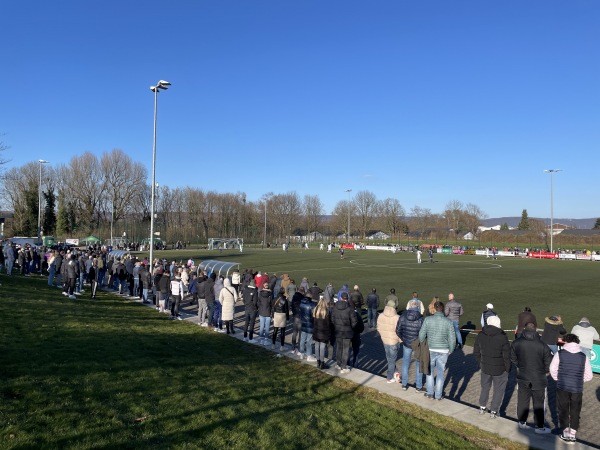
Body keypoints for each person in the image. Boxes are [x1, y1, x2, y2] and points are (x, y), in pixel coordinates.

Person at [550, 333, 593, 444]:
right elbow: (589, 375)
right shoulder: (583, 356)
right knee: (575, 410)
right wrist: (580, 380)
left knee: (563, 409)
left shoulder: (560, 353)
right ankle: (572, 434)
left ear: (566, 341)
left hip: (562, 386)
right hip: (577, 388)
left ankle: (565, 432)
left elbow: (552, 368)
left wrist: (557, 378)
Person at [510, 322, 553, 433]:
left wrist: (520, 366)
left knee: (522, 400)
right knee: (539, 402)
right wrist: (543, 371)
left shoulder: (516, 342)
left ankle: (521, 422)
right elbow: (548, 364)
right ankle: (539, 426)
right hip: (538, 378)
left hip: (523, 376)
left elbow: (513, 358)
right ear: (536, 330)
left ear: (524, 329)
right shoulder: (543, 345)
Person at [473, 315, 510, 419]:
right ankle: (493, 410)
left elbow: (476, 352)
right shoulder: (502, 337)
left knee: (485, 387)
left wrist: (481, 362)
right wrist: (507, 369)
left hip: (485, 367)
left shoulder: (481, 334)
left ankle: (482, 406)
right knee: (498, 390)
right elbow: (507, 355)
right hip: (499, 369)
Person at [418, 301, 456, 400]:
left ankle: (430, 393)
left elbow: (421, 335)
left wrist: (423, 343)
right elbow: (452, 338)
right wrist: (451, 350)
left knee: (429, 372)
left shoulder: (428, 320)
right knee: (440, 373)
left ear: (434, 309)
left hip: (430, 349)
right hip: (444, 350)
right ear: (443, 309)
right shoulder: (448, 322)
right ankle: (438, 395)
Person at [396, 299, 425, 391]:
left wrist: (403, 339)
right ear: (417, 307)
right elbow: (424, 333)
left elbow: (398, 330)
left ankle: (404, 384)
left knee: (405, 363)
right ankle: (418, 386)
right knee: (418, 364)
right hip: (417, 344)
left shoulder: (403, 316)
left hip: (407, 343)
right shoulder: (421, 318)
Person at [331, 292, 358, 374]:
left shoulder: (335, 307)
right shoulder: (350, 309)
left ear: (341, 298)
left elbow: (332, 319)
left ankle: (338, 364)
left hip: (338, 331)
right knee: (345, 350)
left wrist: (336, 326)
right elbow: (354, 321)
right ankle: (343, 366)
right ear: (347, 298)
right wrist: (351, 327)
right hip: (347, 332)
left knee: (339, 348)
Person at [377, 300, 401, 383]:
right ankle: (389, 377)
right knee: (392, 360)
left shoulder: (381, 316)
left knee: (389, 359)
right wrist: (399, 340)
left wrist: (383, 336)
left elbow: (379, 328)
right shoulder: (397, 317)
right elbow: (400, 330)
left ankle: (395, 372)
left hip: (385, 341)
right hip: (394, 341)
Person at [312, 297, 331, 369]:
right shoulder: (326, 311)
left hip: (316, 331)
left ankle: (318, 362)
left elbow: (313, 320)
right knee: (322, 347)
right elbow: (328, 324)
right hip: (324, 332)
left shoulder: (316, 310)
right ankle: (322, 363)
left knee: (317, 347)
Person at [299, 293, 317, 361]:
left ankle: (302, 353)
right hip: (310, 324)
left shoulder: (301, 304)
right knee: (309, 340)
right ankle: (309, 354)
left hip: (303, 323)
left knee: (303, 339)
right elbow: (314, 315)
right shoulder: (312, 305)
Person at [289, 287, 305, 354]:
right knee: (301, 334)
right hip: (300, 317)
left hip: (295, 316)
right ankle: (299, 349)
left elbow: (292, 306)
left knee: (294, 333)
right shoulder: (302, 298)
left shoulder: (294, 297)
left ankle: (293, 348)